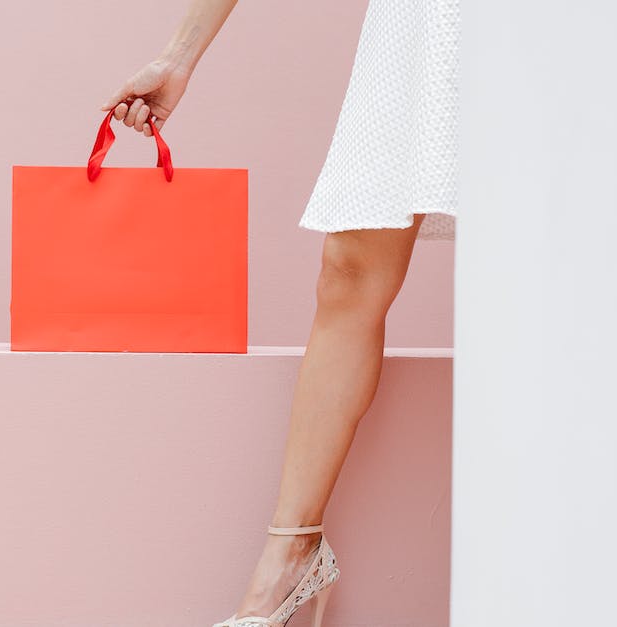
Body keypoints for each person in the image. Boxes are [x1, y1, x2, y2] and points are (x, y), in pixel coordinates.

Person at [99, 0, 460, 626]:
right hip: (427, 19)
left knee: (549, 269)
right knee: (349, 268)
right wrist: (178, 55)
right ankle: (293, 553)